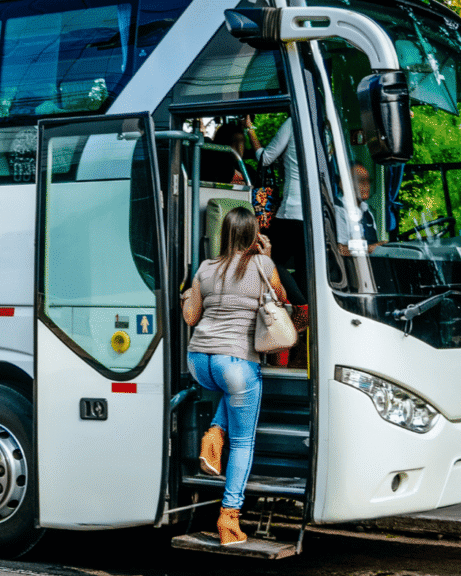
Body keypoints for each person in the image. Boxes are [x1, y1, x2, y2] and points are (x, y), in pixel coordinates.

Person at [180, 206, 288, 546]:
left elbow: (191, 316)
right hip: (236, 363)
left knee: (230, 391)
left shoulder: (206, 268)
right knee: (242, 443)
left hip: (200, 361)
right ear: (254, 235)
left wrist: (186, 294)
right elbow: (281, 300)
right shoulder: (262, 265)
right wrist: (267, 256)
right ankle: (229, 519)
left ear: (224, 235)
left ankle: (213, 434)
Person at [244, 115, 306, 297]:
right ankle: (305, 312)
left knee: (265, 258)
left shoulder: (294, 121)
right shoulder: (323, 128)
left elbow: (265, 158)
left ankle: (295, 302)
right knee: (304, 268)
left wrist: (249, 128)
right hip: (312, 213)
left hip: (291, 211)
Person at [335, 163, 384, 255]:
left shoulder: (367, 212)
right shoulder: (339, 210)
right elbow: (340, 250)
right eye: (361, 181)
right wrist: (370, 248)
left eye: (368, 181)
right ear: (344, 183)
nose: (366, 185)